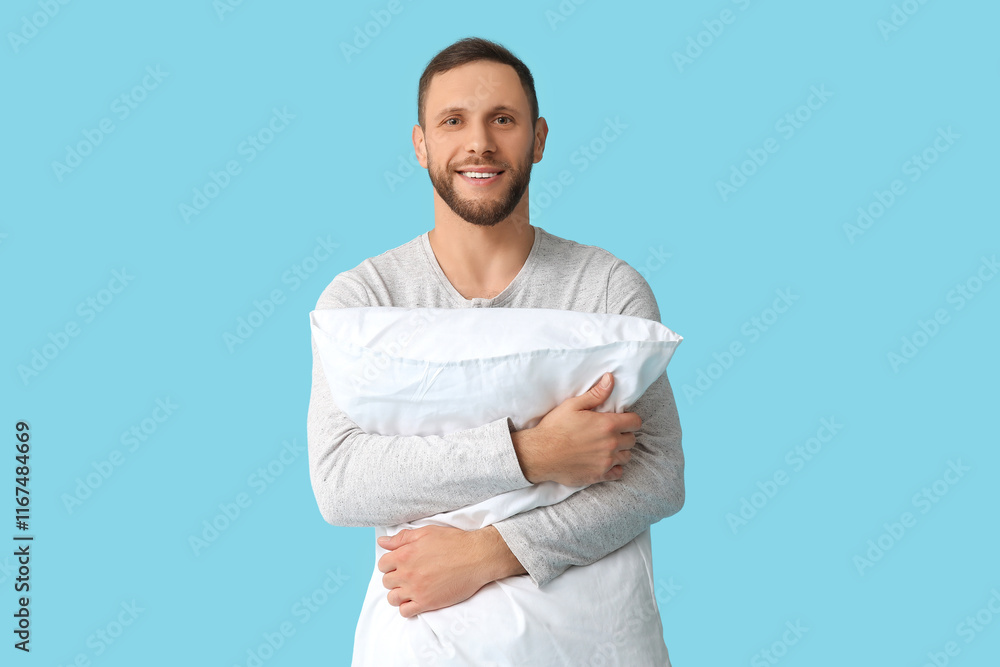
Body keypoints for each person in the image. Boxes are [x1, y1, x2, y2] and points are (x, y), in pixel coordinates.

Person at [307, 36, 684, 661]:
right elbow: (341, 482)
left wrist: (493, 552)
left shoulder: (608, 288)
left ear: (537, 139)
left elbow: (657, 474)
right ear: (420, 143)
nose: (478, 143)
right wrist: (532, 452)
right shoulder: (363, 298)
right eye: (452, 121)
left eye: (501, 120)